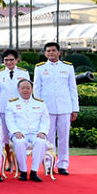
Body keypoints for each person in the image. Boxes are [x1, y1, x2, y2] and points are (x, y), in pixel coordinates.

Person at [33, 42, 79, 176]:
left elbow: (72, 89)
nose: (51, 53)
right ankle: (48, 164)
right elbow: (37, 89)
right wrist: (38, 108)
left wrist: (74, 108)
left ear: (59, 52)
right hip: (47, 108)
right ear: (45, 53)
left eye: (53, 50)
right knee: (49, 138)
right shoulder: (40, 68)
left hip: (65, 107)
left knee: (64, 138)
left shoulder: (68, 67)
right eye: (48, 51)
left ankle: (63, 164)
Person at [7, 79, 51, 182]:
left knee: (41, 142)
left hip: (36, 133)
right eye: (23, 88)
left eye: (28, 88)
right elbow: (10, 120)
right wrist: (15, 131)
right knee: (19, 142)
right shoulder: (12, 104)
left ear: (32, 89)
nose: (25, 90)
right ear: (18, 89)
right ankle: (23, 171)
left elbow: (45, 120)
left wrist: (43, 132)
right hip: (20, 133)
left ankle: (34, 171)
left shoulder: (40, 103)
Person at [0, 49, 30, 159]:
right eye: (6, 60)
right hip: (3, 109)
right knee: (4, 137)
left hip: (19, 109)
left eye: (11, 60)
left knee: (19, 135)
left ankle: (18, 160)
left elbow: (27, 91)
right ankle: (8, 161)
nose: (9, 62)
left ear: (17, 60)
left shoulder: (23, 73)